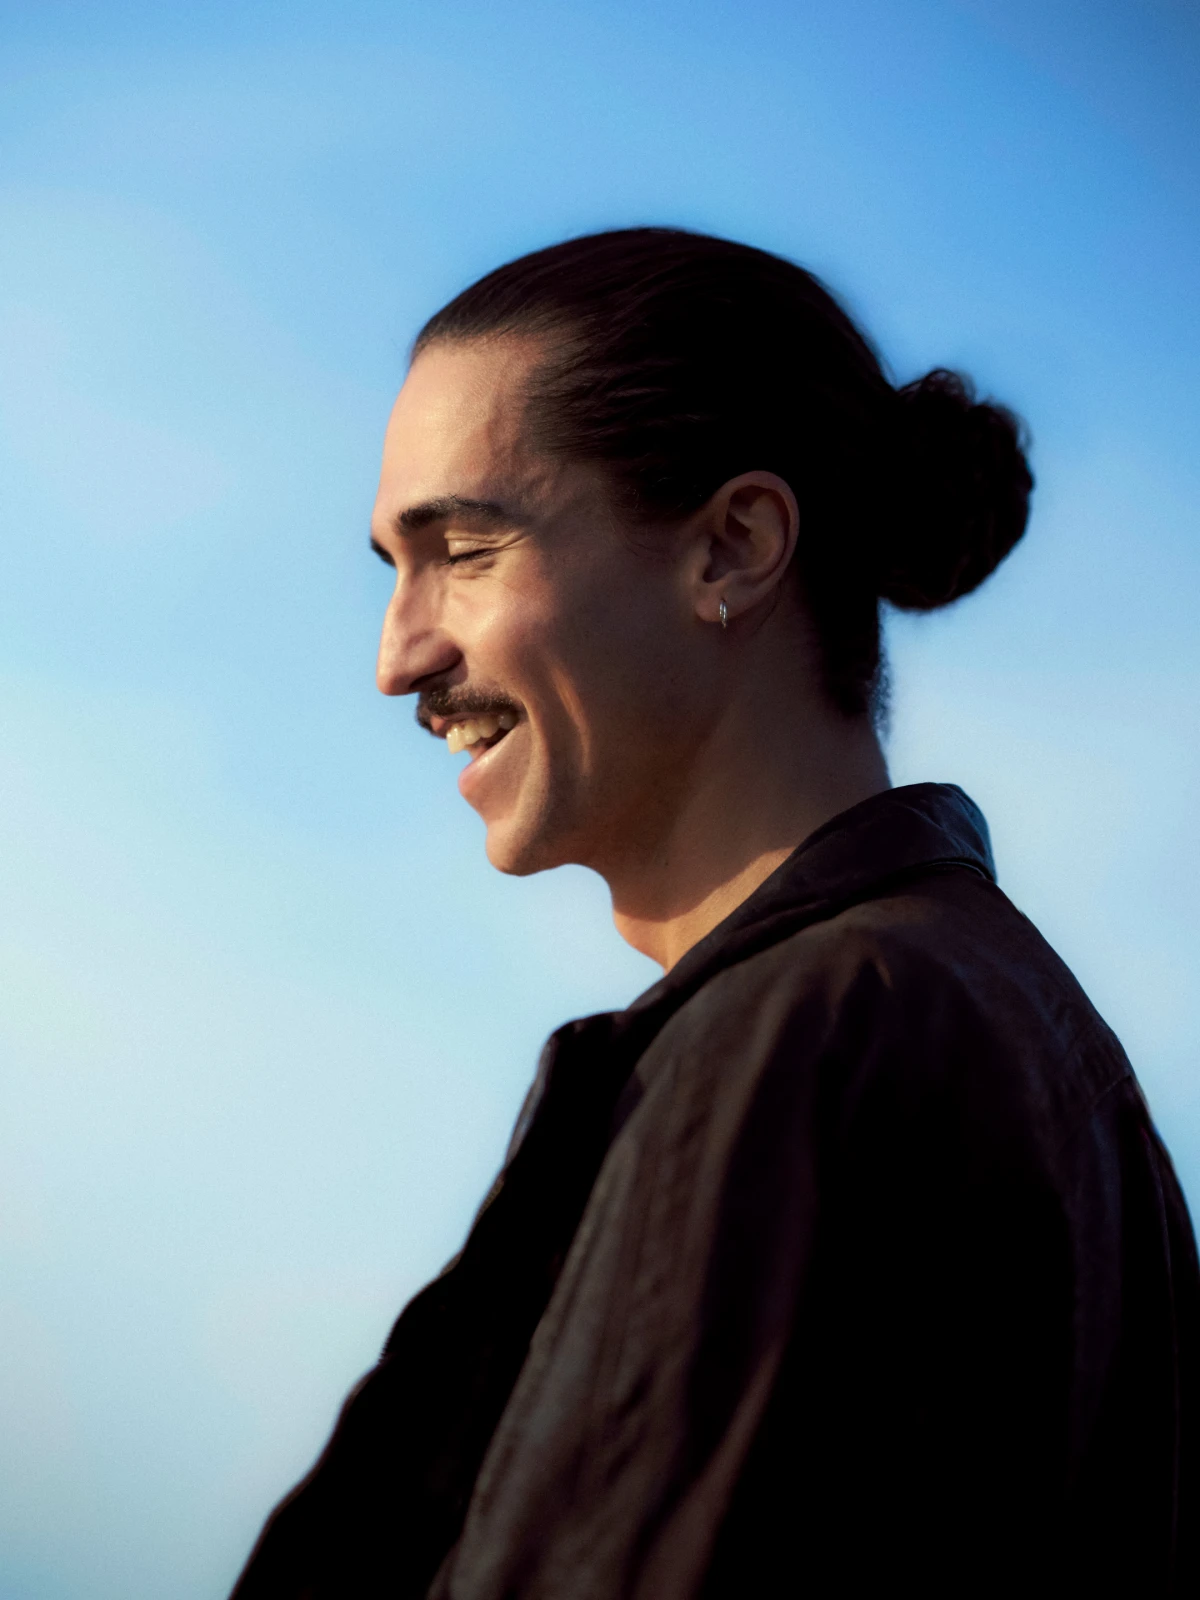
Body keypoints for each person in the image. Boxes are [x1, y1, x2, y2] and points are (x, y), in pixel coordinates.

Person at [230, 228, 1198, 1598]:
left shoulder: (807, 1041)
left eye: (468, 549)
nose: (400, 657)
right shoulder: (1011, 1043)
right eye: (392, 565)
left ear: (732, 548)